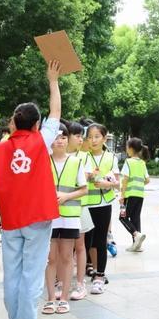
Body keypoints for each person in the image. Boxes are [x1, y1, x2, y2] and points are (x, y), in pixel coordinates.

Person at [0, 60, 61, 319]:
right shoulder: (40, 140)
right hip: (37, 217)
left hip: (11, 220)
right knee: (32, 272)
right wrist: (52, 80)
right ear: (36, 124)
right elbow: (56, 111)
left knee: (13, 272)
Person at [43, 123, 87, 315]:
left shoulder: (76, 162)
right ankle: (51, 298)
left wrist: (67, 196)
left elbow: (84, 189)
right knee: (51, 258)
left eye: (63, 137)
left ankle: (64, 299)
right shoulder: (43, 161)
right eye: (56, 137)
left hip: (70, 217)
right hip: (49, 217)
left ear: (67, 139)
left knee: (67, 257)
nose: (59, 140)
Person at [84, 123, 119, 294]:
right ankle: (85, 273)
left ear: (104, 138)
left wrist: (107, 183)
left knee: (101, 240)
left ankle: (100, 276)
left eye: (97, 136)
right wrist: (87, 176)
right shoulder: (83, 157)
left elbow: (117, 182)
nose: (93, 140)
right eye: (90, 137)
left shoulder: (111, 157)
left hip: (104, 203)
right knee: (85, 242)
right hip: (86, 203)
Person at [65, 120, 91, 300]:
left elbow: (86, 181)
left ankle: (80, 284)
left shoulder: (84, 157)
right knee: (59, 248)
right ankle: (60, 281)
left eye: (82, 135)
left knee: (79, 245)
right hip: (59, 208)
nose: (80, 139)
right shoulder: (53, 155)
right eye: (77, 135)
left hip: (79, 207)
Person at [119, 137, 150, 252]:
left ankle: (136, 235)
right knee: (135, 218)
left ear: (131, 149)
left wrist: (122, 195)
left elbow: (125, 180)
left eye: (127, 147)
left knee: (123, 217)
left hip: (129, 194)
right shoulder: (142, 163)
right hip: (139, 195)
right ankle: (137, 245)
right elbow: (147, 180)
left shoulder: (129, 161)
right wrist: (138, 185)